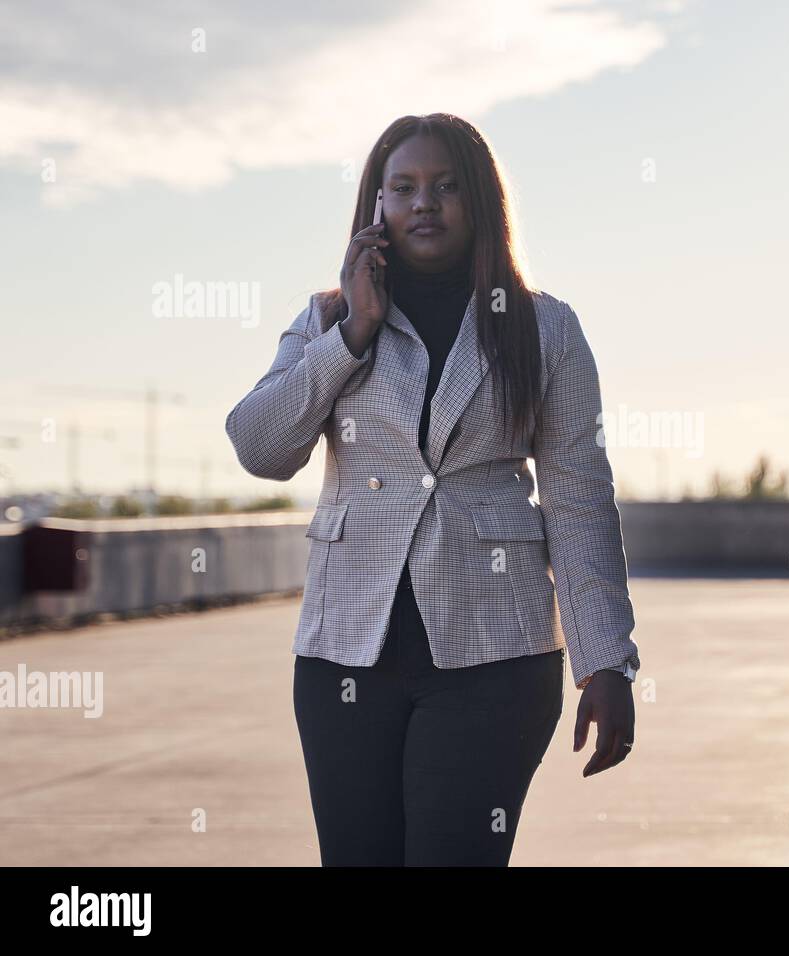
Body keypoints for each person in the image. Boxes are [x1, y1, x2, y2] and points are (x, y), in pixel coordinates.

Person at [224, 113, 640, 866]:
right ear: (377, 206)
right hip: (344, 663)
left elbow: (579, 502)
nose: (425, 203)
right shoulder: (327, 320)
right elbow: (260, 447)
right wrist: (351, 335)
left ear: (479, 201)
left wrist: (606, 660)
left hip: (496, 661)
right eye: (404, 187)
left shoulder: (545, 330)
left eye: (446, 186)